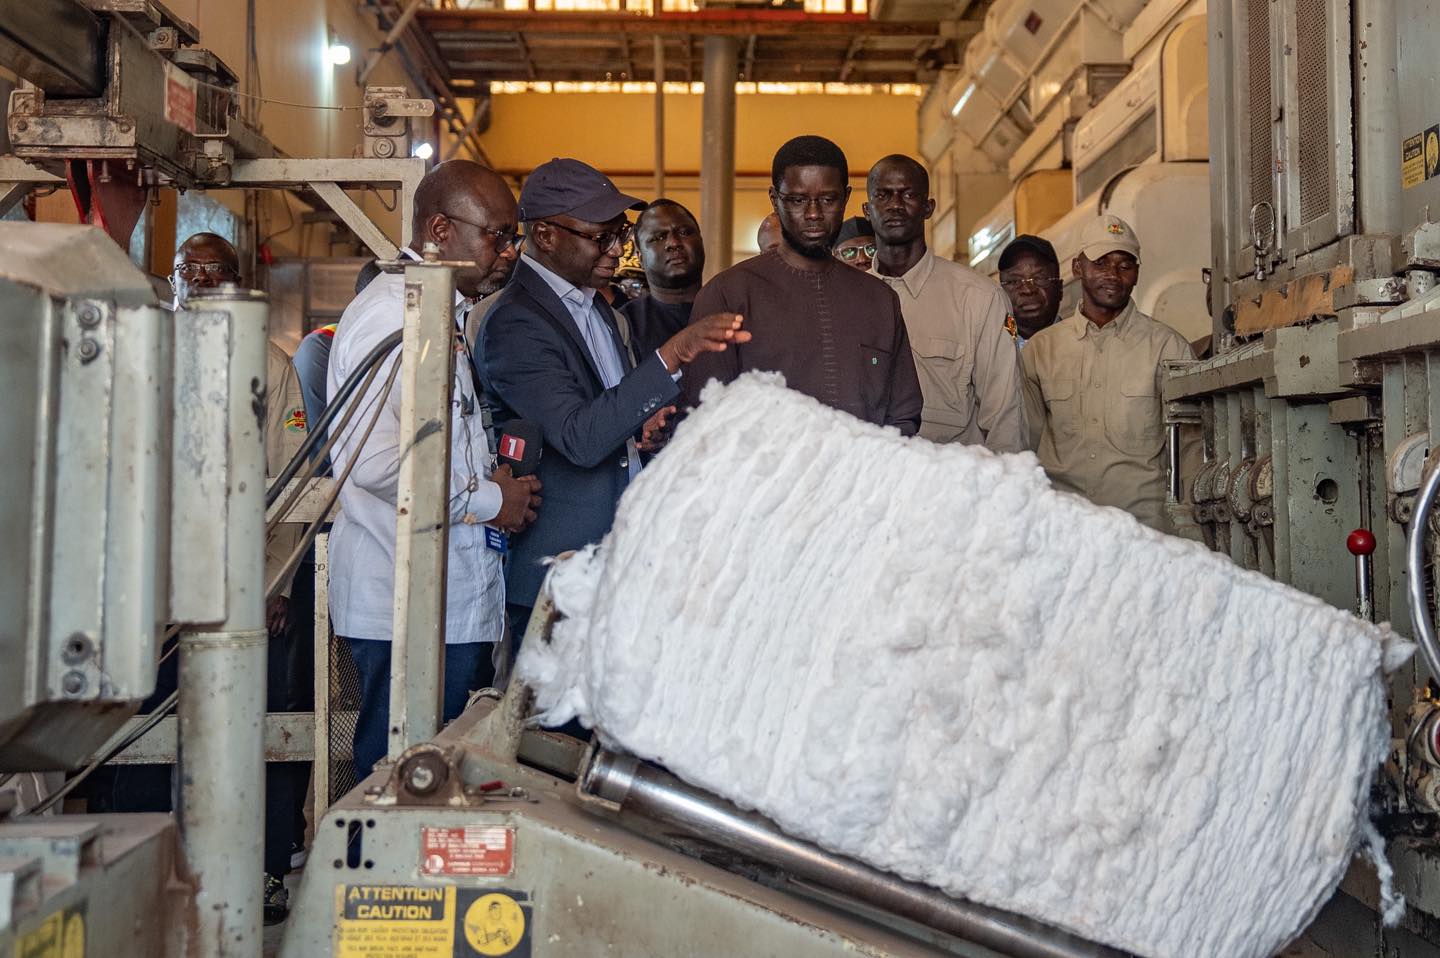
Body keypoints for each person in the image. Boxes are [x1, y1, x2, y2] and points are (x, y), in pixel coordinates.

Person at [327, 161, 543, 786]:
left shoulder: (436, 310)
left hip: (445, 603)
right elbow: (375, 464)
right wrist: (486, 500)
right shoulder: (389, 317)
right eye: (497, 236)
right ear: (441, 230)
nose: (509, 253)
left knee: (438, 786)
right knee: (400, 787)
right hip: (404, 608)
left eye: (512, 237)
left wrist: (489, 472)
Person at [477, 159, 750, 641]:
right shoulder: (516, 324)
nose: (618, 247)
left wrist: (640, 430)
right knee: (551, 718)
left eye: (619, 232)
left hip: (612, 567)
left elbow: (607, 416)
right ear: (544, 235)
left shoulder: (595, 309)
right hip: (557, 582)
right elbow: (581, 437)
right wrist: (671, 355)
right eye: (601, 236)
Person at [171, 232, 310, 923]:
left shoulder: (272, 366)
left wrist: (278, 584)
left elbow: (294, 482)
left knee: (263, 726)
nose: (198, 284)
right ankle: (164, 863)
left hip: (250, 591)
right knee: (154, 728)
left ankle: (265, 866)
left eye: (212, 273)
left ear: (238, 280)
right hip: (163, 596)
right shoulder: (153, 352)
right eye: (185, 273)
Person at [685, 136, 921, 435]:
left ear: (845, 198)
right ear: (774, 198)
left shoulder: (880, 300)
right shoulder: (727, 295)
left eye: (827, 199)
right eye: (797, 200)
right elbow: (707, 422)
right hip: (767, 481)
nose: (813, 214)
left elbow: (904, 415)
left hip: (863, 479)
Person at [1021, 214, 1199, 536]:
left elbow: (1190, 448)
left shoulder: (1168, 348)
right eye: (1101, 263)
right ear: (1078, 268)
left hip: (1143, 533)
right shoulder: (1040, 351)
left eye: (1125, 265)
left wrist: (1189, 530)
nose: (1113, 275)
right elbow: (1024, 445)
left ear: (1137, 274)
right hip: (1064, 529)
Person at [862, 155, 1025, 453]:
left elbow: (1005, 419)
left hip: (953, 489)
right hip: (874, 488)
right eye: (883, 195)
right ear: (867, 209)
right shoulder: (851, 300)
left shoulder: (978, 298)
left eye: (908, 194)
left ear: (928, 208)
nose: (895, 205)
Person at [622, 198, 704, 355]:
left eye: (684, 232)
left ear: (701, 242)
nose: (674, 243)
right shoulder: (624, 325)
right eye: (659, 237)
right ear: (640, 258)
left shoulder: (730, 308)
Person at [997, 234, 1063, 346]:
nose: (1028, 290)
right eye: (1014, 281)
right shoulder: (986, 349)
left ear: (1060, 288)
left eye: (1039, 278)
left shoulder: (1082, 346)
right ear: (1001, 292)